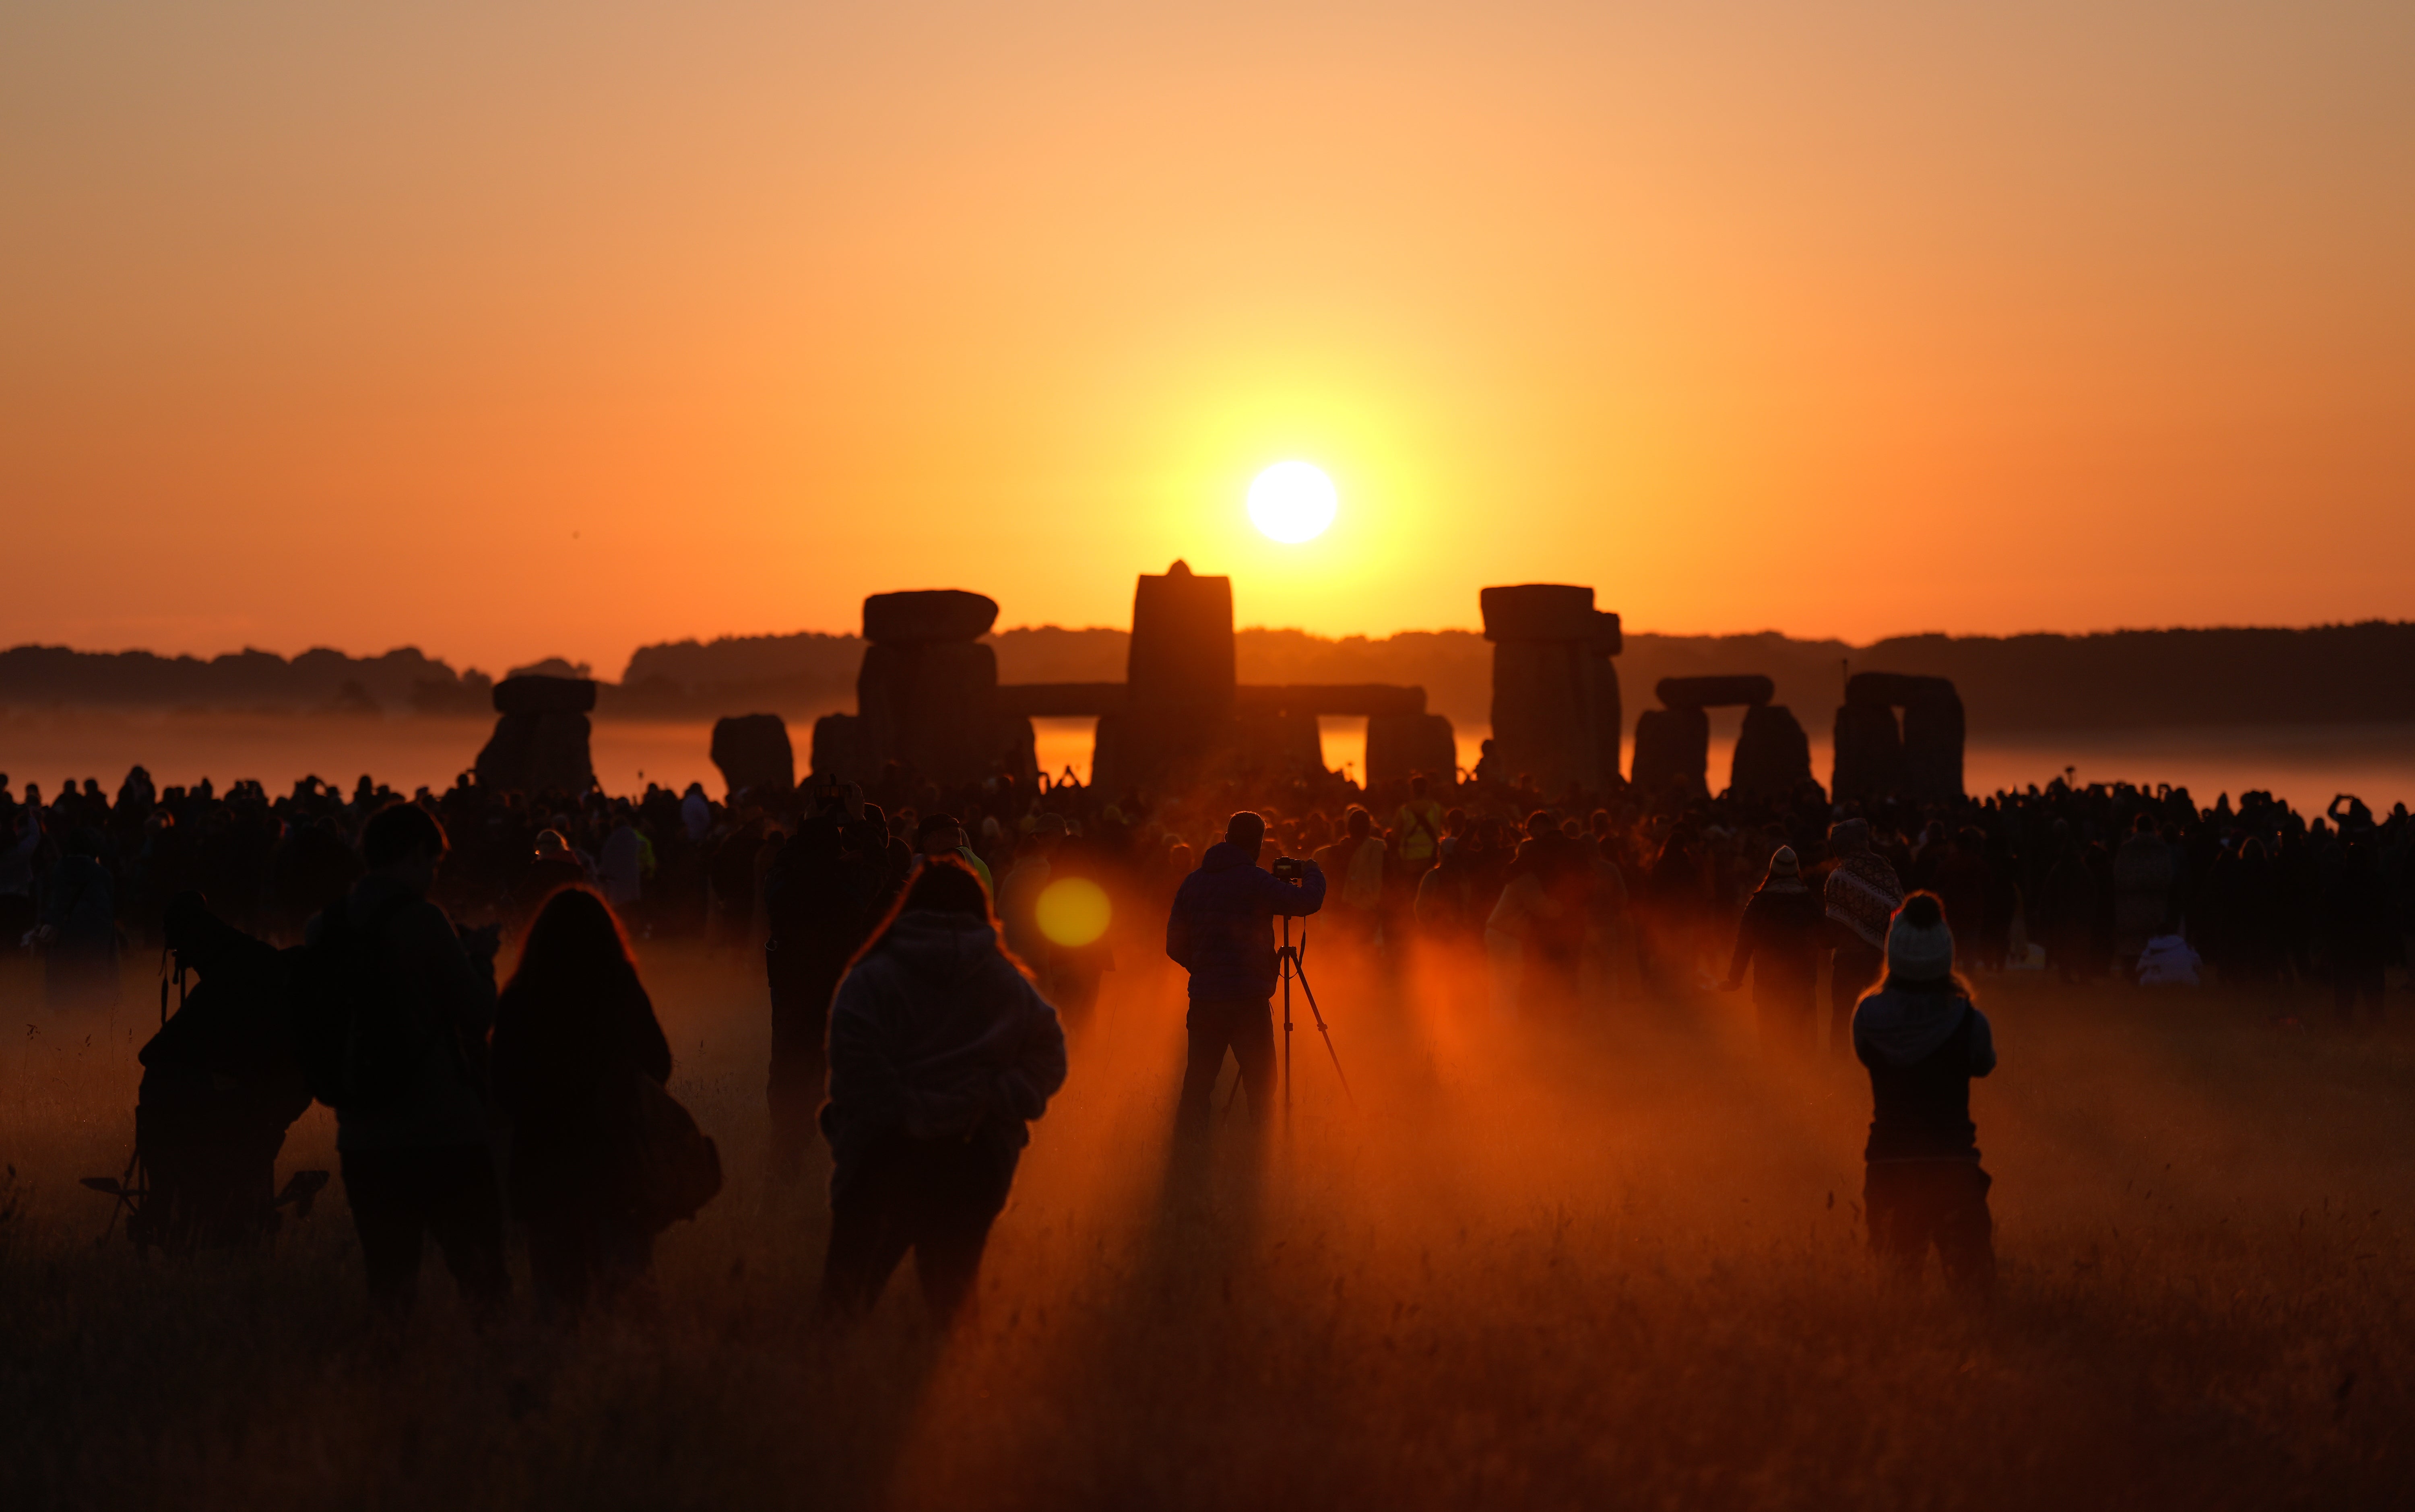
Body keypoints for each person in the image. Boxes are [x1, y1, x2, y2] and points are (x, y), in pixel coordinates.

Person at [817, 858, 1066, 1323]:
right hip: (976, 1159)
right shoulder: (1007, 981)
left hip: (883, 1157)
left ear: (909, 906)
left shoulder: (872, 977)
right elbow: (1050, 1055)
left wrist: (903, 1112)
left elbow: (853, 1064)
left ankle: (832, 1391)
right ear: (981, 909)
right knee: (952, 1318)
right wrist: (994, 1098)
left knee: (841, 1311)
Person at [316, 802, 510, 1319]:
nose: (433, 875)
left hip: (361, 1132)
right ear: (414, 854)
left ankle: (390, 1379)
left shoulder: (327, 925)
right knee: (483, 1279)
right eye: (433, 863)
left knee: (389, 1284)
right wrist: (481, 960)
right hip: (443, 1129)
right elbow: (476, 1012)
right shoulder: (424, 920)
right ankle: (498, 1380)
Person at [490, 887, 673, 1315]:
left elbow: (500, 1086)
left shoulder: (520, 996)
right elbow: (659, 1063)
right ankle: (625, 1373)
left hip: (543, 1168)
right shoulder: (620, 989)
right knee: (628, 1293)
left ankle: (561, 1373)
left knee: (557, 1301)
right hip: (617, 1164)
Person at [134, 891, 314, 1252]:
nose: (180, 963)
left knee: (161, 1089)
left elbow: (153, 1054)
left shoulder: (223, 981)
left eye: (179, 952)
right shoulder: (249, 958)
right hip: (280, 1094)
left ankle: (164, 1202)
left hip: (258, 1099)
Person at [1851, 892, 1997, 1300]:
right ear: (1945, 953)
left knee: (1892, 1286)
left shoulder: (1866, 1015)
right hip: (1953, 1163)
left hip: (1889, 1161)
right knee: (1975, 1289)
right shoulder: (1970, 1020)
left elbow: (1864, 1056)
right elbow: (1984, 1064)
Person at [1165, 811, 1326, 1132]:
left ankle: (1190, 1152)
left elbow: (1174, 944)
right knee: (1261, 1084)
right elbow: (1306, 901)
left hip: (1204, 999)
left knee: (1197, 1083)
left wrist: (1201, 968)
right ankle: (1260, 1154)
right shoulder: (1255, 882)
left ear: (1225, 839)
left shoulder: (1193, 882)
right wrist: (1313, 872)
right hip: (1248, 1001)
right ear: (1258, 844)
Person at [760, 788, 890, 1177]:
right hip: (836, 995)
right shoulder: (847, 889)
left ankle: (786, 1150)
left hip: (791, 995)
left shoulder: (782, 888)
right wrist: (860, 821)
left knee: (787, 1070)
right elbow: (881, 865)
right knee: (837, 1070)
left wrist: (809, 825)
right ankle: (840, 1152)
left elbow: (780, 865)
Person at [1721, 847, 1825, 1055]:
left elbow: (1744, 944)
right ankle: (1805, 1078)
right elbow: (1826, 939)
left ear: (1772, 871)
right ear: (1796, 871)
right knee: (1801, 1034)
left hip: (1768, 980)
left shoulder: (1759, 902)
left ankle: (1775, 1078)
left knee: (1771, 1033)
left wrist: (1734, 979)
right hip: (1802, 979)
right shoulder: (1808, 901)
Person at [1823, 819, 1901, 1055]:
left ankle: (1840, 1066)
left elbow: (1833, 928)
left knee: (1842, 1015)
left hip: (1848, 959)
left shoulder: (1839, 877)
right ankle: (1885, 1061)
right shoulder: (1887, 870)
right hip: (1882, 958)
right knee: (1884, 1015)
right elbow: (1898, 910)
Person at [39, 826, 120, 1007]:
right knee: (95, 971)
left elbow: (55, 900)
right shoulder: (101, 873)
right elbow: (112, 903)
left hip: (67, 928)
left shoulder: (59, 870)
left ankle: (64, 1010)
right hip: (98, 931)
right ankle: (96, 1010)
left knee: (63, 971)